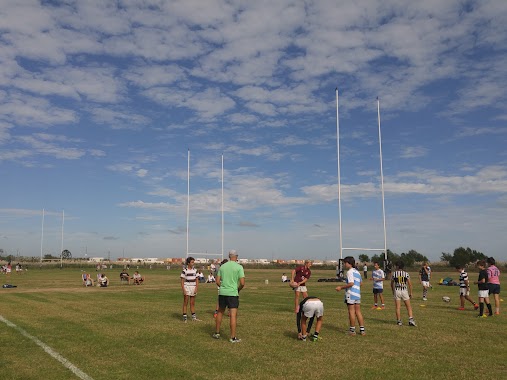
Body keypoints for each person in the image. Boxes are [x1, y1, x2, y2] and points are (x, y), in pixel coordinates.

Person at [213, 250, 245, 343]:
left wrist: (223, 287)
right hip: (232, 294)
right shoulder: (239, 267)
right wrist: (237, 289)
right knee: (233, 315)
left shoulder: (222, 266)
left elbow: (217, 281)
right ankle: (233, 337)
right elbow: (242, 283)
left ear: (229, 256)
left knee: (220, 312)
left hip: (222, 292)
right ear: (237, 256)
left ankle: (217, 333)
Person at [335, 256, 365, 336]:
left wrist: (340, 287)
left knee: (351, 311)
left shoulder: (349, 272)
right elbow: (361, 283)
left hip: (351, 294)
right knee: (358, 311)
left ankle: (352, 330)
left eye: (345, 263)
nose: (344, 265)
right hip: (357, 294)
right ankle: (362, 330)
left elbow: (351, 283)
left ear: (349, 263)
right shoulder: (357, 272)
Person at [391, 261, 416, 326]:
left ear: (397, 266)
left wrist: (393, 291)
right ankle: (411, 319)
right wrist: (411, 293)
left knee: (398, 307)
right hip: (404, 290)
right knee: (408, 306)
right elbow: (410, 284)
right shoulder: (406, 274)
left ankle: (399, 321)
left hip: (397, 290)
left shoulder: (394, 274)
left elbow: (391, 283)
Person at [181, 257, 199, 322]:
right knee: (186, 302)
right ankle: (184, 317)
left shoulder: (195, 270)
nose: (193, 263)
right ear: (188, 263)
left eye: (193, 262)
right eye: (192, 262)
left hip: (193, 287)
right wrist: (184, 289)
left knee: (192, 303)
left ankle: (194, 317)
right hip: (187, 287)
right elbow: (182, 281)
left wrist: (196, 288)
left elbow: (197, 280)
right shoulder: (184, 270)